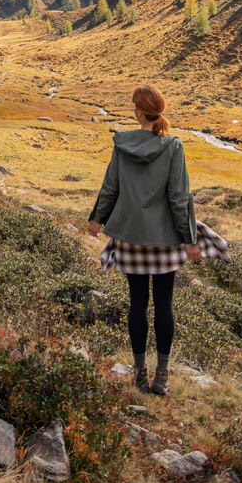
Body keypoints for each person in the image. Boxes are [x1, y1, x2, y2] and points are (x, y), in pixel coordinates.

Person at [88, 84, 210, 396]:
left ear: (138, 111)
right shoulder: (173, 147)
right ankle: (162, 377)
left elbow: (110, 187)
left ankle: (139, 372)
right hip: (166, 240)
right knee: (164, 305)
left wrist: (97, 219)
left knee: (138, 304)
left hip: (131, 237)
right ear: (159, 111)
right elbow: (179, 197)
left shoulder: (122, 145)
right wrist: (190, 239)